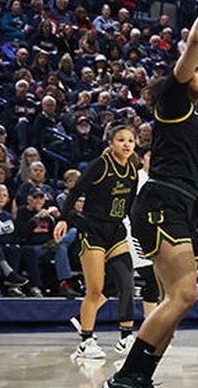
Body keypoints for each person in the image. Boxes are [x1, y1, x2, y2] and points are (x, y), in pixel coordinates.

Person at [101, 0, 198, 388]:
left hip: (180, 205)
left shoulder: (194, 119)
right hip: (161, 203)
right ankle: (124, 378)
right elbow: (194, 42)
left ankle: (142, 384)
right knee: (183, 296)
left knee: (176, 302)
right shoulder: (173, 99)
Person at [55, 124, 139, 360]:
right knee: (95, 290)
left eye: (130, 141)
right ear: (111, 144)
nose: (126, 144)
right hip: (92, 230)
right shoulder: (100, 165)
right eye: (121, 140)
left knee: (126, 282)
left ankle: (125, 338)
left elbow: (130, 206)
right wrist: (65, 219)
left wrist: (141, 231)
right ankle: (86, 341)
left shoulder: (133, 171)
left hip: (116, 231)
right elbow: (74, 191)